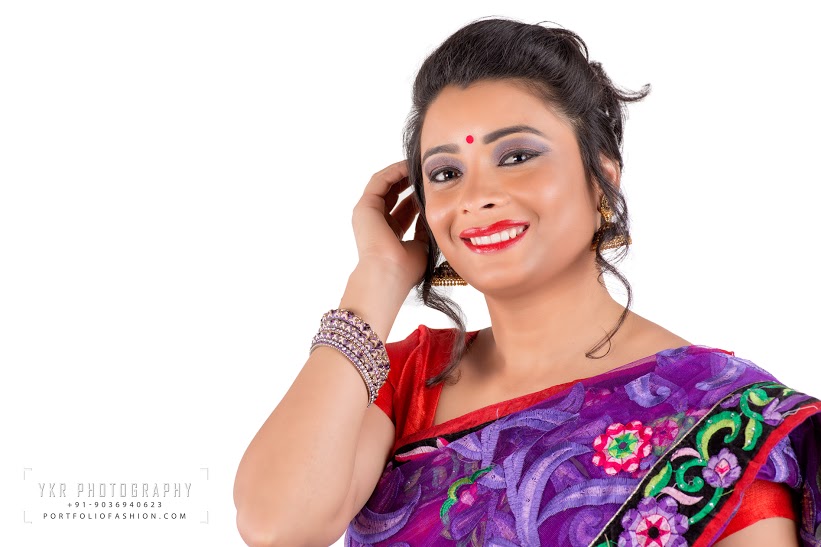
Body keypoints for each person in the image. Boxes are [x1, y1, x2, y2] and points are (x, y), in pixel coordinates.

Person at [233, 17, 821, 547]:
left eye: (515, 157)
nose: (476, 196)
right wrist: (376, 280)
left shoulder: (722, 419)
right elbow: (278, 527)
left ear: (601, 180)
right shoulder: (406, 381)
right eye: (446, 172)